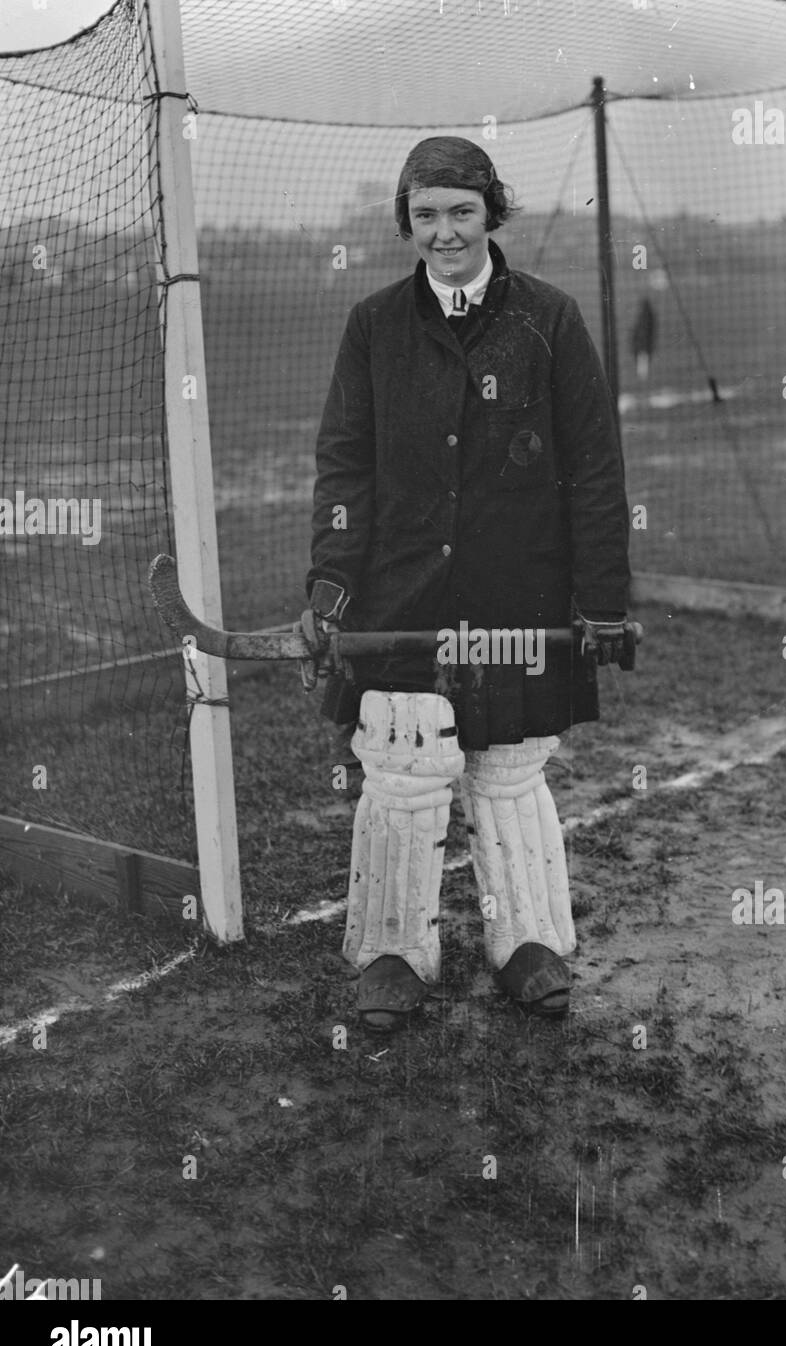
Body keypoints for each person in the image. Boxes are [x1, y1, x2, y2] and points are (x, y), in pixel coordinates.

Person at [304, 136, 631, 1033]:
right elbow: (344, 469)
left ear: (491, 213)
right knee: (403, 774)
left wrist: (601, 600)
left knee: (509, 772)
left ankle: (526, 942)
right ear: (405, 223)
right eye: (425, 216)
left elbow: (594, 471)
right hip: (399, 595)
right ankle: (393, 952)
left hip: (517, 595)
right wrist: (329, 586)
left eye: (460, 212)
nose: (444, 232)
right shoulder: (374, 326)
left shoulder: (549, 320)